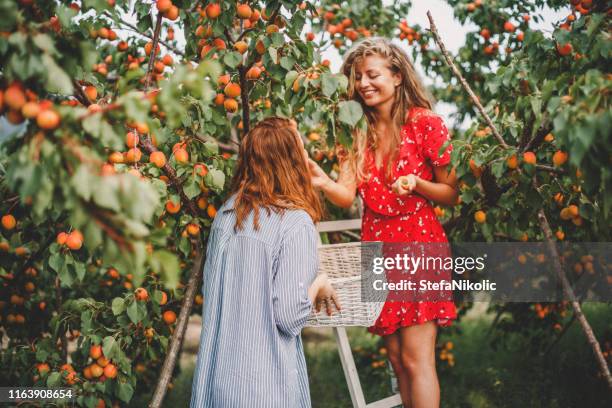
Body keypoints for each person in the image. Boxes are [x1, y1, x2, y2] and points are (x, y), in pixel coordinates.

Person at [308, 38, 459, 408]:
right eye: (357, 77)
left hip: (418, 243)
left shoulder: (426, 124)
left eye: (372, 74)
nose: (363, 84)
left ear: (397, 76)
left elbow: (452, 193)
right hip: (376, 246)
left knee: (414, 357)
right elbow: (346, 194)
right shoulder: (354, 130)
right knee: (395, 358)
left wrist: (418, 184)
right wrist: (324, 182)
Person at [190, 117, 340, 408]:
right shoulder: (294, 223)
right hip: (264, 388)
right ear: (292, 160)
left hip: (217, 383)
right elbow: (289, 316)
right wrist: (319, 282)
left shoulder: (226, 215)